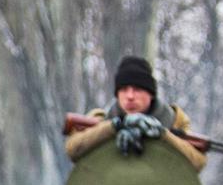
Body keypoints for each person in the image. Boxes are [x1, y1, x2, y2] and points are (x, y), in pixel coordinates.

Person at [65, 55, 206, 172]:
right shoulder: (101, 118)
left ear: (151, 94)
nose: (130, 96)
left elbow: (198, 162)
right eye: (124, 89)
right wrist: (113, 127)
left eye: (137, 89)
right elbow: (73, 149)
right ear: (117, 94)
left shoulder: (174, 120)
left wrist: (162, 134)